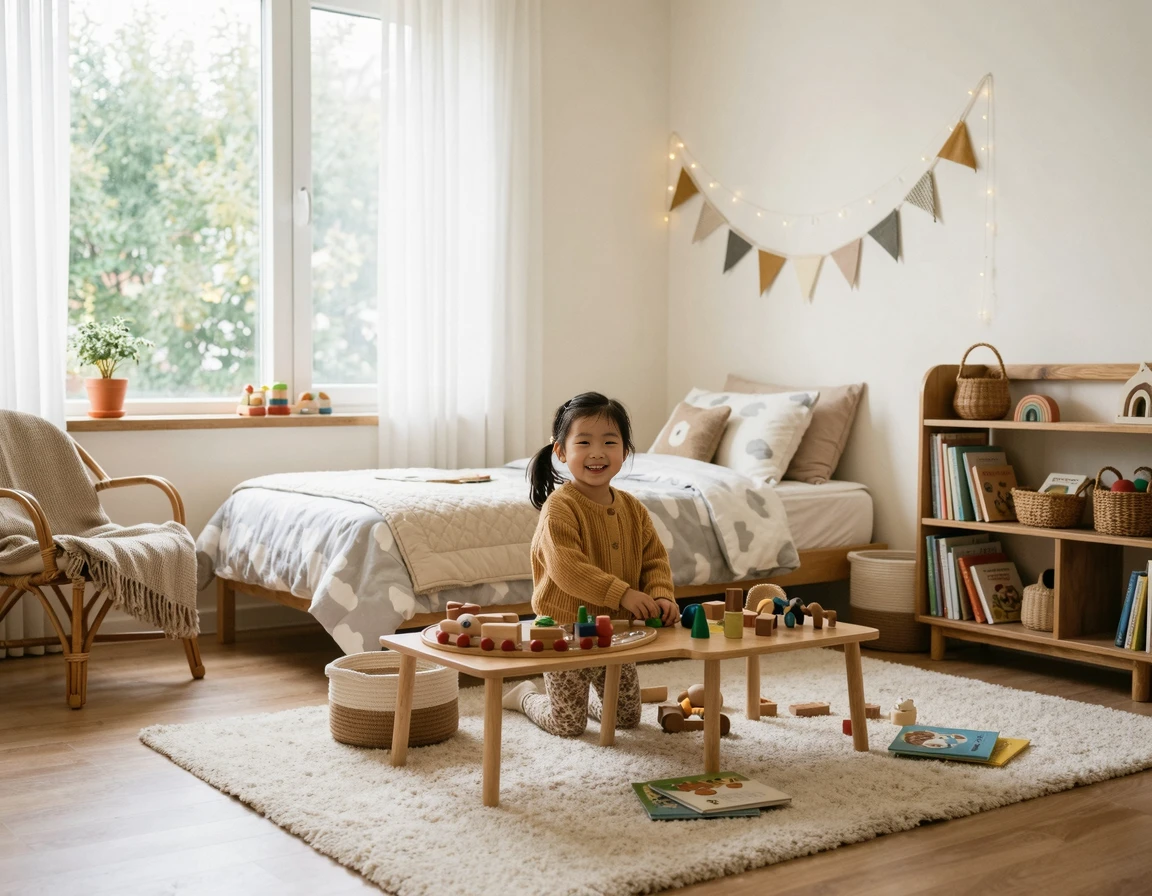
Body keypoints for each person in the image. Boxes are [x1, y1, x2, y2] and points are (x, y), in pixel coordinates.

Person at [502, 392, 680, 736]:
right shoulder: (560, 507)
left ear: (624, 451)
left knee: (627, 718)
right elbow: (567, 568)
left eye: (609, 442)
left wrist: (661, 596)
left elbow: (654, 559)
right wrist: (624, 594)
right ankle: (525, 696)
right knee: (567, 725)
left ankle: (585, 702)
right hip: (563, 631)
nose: (597, 452)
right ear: (562, 451)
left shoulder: (633, 508)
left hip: (617, 632)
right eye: (584, 442)